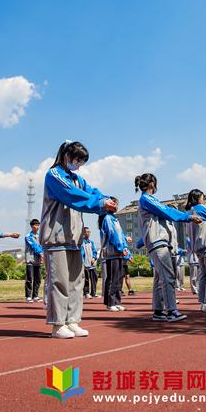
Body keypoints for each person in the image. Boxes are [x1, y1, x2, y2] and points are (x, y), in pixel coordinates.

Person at [41, 141, 116, 339]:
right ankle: (58, 324)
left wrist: (106, 198)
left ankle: (72, 321)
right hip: (56, 237)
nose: (79, 165)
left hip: (74, 239)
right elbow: (73, 196)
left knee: (76, 281)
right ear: (67, 156)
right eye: (77, 160)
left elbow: (92, 192)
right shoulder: (54, 175)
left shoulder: (78, 179)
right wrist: (100, 203)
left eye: (82, 162)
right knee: (60, 282)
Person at [136, 173, 200, 322]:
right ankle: (171, 311)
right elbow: (167, 211)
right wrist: (188, 217)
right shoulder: (147, 199)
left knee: (160, 278)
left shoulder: (147, 200)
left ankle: (158, 311)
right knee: (168, 277)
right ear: (152, 184)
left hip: (158, 242)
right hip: (158, 242)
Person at [100, 199, 131, 311]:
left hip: (119, 253)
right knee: (112, 278)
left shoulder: (115, 219)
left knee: (119, 278)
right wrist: (120, 248)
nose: (116, 206)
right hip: (112, 252)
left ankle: (117, 301)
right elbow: (112, 235)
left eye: (117, 204)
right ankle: (110, 303)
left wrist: (125, 248)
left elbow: (120, 235)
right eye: (113, 203)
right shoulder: (108, 219)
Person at [24, 219, 43, 302]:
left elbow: (42, 245)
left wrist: (42, 254)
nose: (37, 227)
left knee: (38, 278)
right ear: (31, 226)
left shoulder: (40, 236)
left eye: (38, 225)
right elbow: (34, 246)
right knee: (29, 278)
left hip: (38, 260)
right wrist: (41, 253)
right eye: (35, 225)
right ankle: (28, 296)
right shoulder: (28, 236)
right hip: (30, 259)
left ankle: (35, 295)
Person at [81, 228, 99, 298]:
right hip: (85, 264)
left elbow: (94, 251)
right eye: (86, 232)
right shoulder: (82, 243)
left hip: (92, 265)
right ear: (83, 233)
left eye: (89, 232)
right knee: (86, 279)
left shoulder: (91, 242)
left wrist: (94, 258)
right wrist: (82, 262)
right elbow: (81, 253)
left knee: (95, 278)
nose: (88, 233)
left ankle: (93, 293)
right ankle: (86, 293)